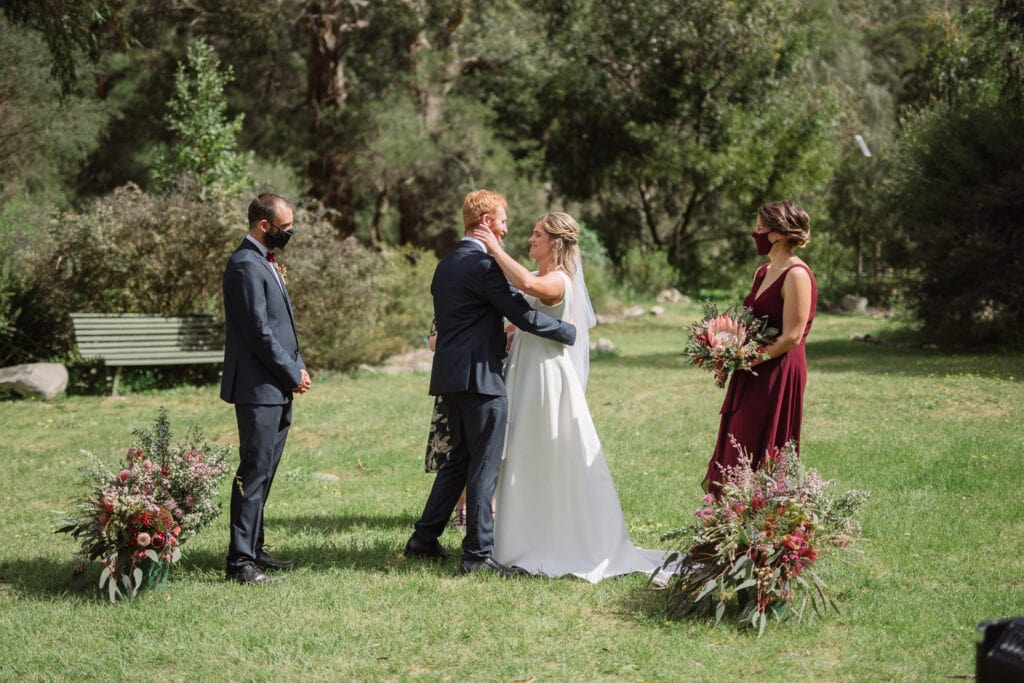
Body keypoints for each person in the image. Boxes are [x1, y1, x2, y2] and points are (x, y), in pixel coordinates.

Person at [471, 212, 668, 583]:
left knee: (543, 449)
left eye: (537, 235)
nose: (530, 240)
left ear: (556, 243)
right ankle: (517, 538)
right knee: (523, 450)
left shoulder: (559, 280)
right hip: (526, 368)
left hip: (547, 377)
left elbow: (527, 285)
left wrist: (495, 249)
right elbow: (521, 318)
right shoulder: (547, 277)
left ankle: (554, 539)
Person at [404, 190, 577, 577]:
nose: (506, 227)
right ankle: (477, 555)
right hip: (480, 378)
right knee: (483, 465)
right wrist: (568, 332)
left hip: (450, 377)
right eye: (501, 220)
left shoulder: (446, 264)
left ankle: (423, 539)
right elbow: (525, 316)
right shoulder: (483, 266)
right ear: (485, 222)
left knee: (459, 460)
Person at [221, 193, 311, 585]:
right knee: (254, 472)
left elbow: (281, 324)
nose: (289, 233)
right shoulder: (244, 265)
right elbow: (258, 331)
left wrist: (298, 364)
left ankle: (255, 550)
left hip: (276, 386)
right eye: (286, 227)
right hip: (258, 386)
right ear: (264, 226)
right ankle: (239, 562)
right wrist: (291, 371)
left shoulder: (264, 262)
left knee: (266, 471)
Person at [702, 200, 818, 494]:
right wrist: (726, 351)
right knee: (738, 438)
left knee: (759, 441)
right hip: (751, 365)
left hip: (777, 369)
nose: (755, 232)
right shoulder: (763, 271)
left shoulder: (797, 275)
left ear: (778, 233)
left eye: (760, 226)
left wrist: (745, 360)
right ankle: (729, 521)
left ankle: (762, 518)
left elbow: (792, 336)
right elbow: (749, 323)